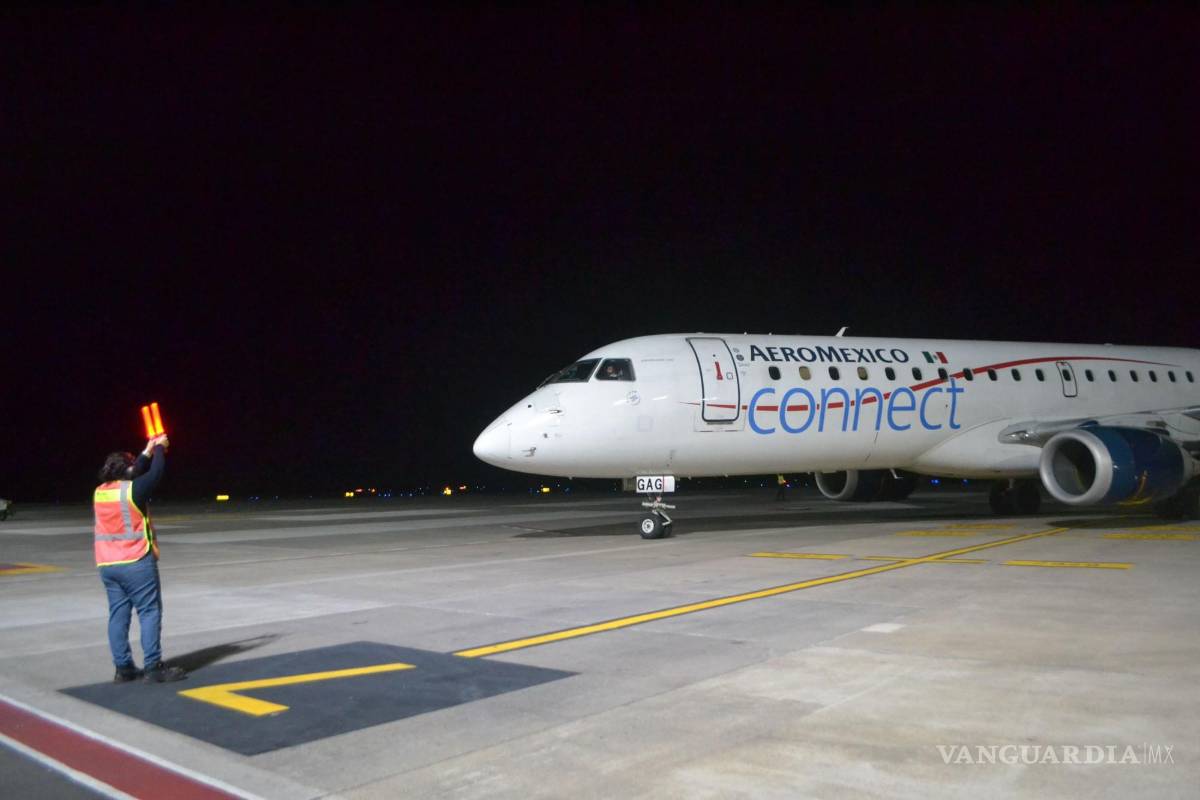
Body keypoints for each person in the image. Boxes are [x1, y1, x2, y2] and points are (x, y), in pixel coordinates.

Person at [93, 434, 186, 683]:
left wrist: (146, 451)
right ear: (127, 469)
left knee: (118, 614)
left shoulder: (101, 493)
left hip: (107, 565)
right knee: (149, 611)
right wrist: (159, 450)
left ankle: (123, 669)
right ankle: (153, 667)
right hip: (135, 561)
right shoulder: (133, 491)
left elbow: (136, 472)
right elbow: (154, 474)